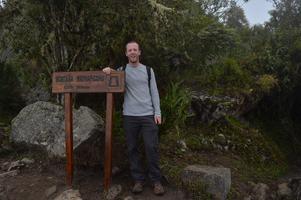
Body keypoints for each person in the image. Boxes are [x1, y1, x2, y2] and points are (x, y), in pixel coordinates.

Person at [102, 41, 164, 195]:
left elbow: (154, 93)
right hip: (130, 115)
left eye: (135, 50)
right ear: (126, 53)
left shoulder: (149, 71)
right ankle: (138, 180)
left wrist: (157, 113)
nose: (132, 52)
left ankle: (156, 181)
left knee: (151, 147)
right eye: (130, 50)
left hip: (148, 115)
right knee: (132, 149)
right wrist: (108, 70)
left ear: (139, 52)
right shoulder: (122, 71)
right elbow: (111, 78)